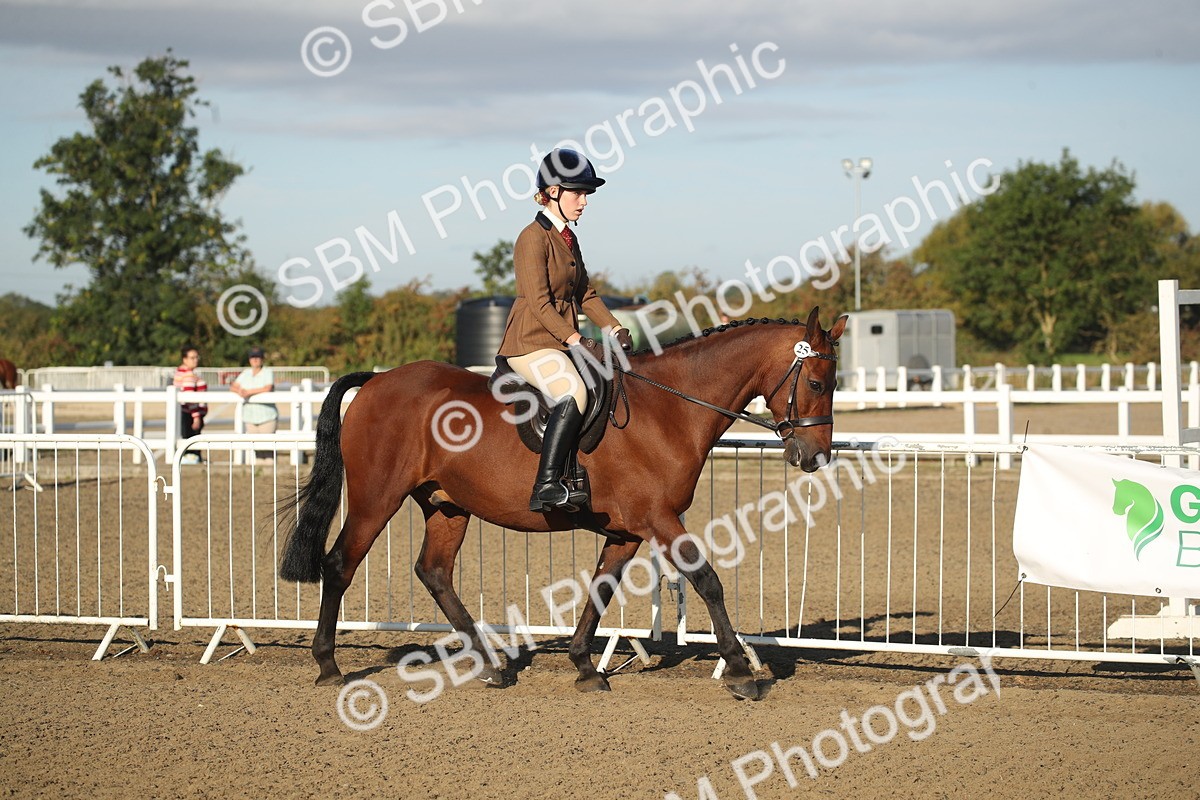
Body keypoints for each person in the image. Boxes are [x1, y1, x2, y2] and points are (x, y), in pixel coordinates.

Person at [496, 148, 633, 512]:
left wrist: (615, 328)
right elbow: (540, 303)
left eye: (587, 194)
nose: (584, 202)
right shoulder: (532, 238)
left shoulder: (567, 238)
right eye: (578, 193)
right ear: (553, 192)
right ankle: (545, 485)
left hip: (558, 342)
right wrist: (578, 340)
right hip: (530, 342)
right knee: (573, 390)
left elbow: (584, 292)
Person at [231, 345, 278, 465]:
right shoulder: (246, 373)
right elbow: (233, 386)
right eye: (253, 357)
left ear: (262, 359)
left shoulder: (267, 372)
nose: (255, 359)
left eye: (258, 357)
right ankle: (259, 471)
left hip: (266, 415)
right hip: (250, 416)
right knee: (256, 448)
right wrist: (240, 391)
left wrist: (248, 392)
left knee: (268, 448)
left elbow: (268, 387)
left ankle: (270, 471)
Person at [173, 344, 208, 464]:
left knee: (187, 440)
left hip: (186, 412)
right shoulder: (188, 375)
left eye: (197, 357)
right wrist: (196, 416)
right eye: (192, 358)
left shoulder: (180, 372)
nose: (195, 360)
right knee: (192, 441)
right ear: (185, 359)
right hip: (190, 413)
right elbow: (190, 398)